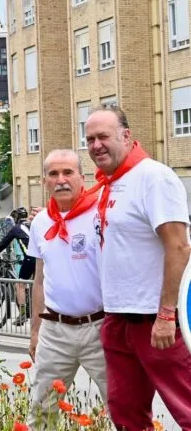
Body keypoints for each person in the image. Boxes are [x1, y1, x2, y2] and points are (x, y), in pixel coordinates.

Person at [84, 106, 191, 430]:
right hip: (119, 318)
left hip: (156, 321)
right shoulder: (108, 184)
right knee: (125, 413)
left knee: (187, 408)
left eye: (103, 136)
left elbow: (179, 246)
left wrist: (167, 314)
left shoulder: (153, 177)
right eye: (89, 139)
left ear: (126, 136)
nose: (96, 145)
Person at [26, 149, 106, 430]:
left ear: (82, 178)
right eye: (53, 174)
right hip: (55, 331)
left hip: (100, 327)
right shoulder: (39, 223)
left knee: (122, 406)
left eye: (68, 172)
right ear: (44, 181)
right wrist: (35, 330)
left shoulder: (100, 213)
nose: (61, 180)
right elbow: (39, 279)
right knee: (41, 412)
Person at [0, 207, 34, 326]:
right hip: (41, 258)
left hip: (31, 257)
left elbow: (4, 242)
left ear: (16, 218)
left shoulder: (16, 228)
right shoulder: (31, 225)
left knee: (19, 284)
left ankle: (23, 314)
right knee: (36, 283)